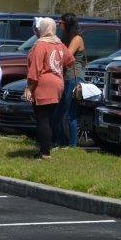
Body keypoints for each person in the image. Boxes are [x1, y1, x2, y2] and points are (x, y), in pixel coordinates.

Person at [24, 18, 74, 159]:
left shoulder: (40, 45)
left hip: (43, 85)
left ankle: (45, 153)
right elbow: (70, 60)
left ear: (43, 29)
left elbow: (35, 69)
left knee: (42, 119)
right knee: (49, 118)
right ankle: (45, 148)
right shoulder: (59, 44)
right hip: (58, 84)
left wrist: (29, 87)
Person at [53, 13, 86, 148]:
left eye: (60, 23)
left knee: (70, 113)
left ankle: (72, 145)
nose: (59, 25)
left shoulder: (77, 39)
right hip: (64, 78)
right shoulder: (65, 38)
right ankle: (60, 142)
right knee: (57, 113)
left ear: (67, 24)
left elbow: (66, 56)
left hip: (74, 78)